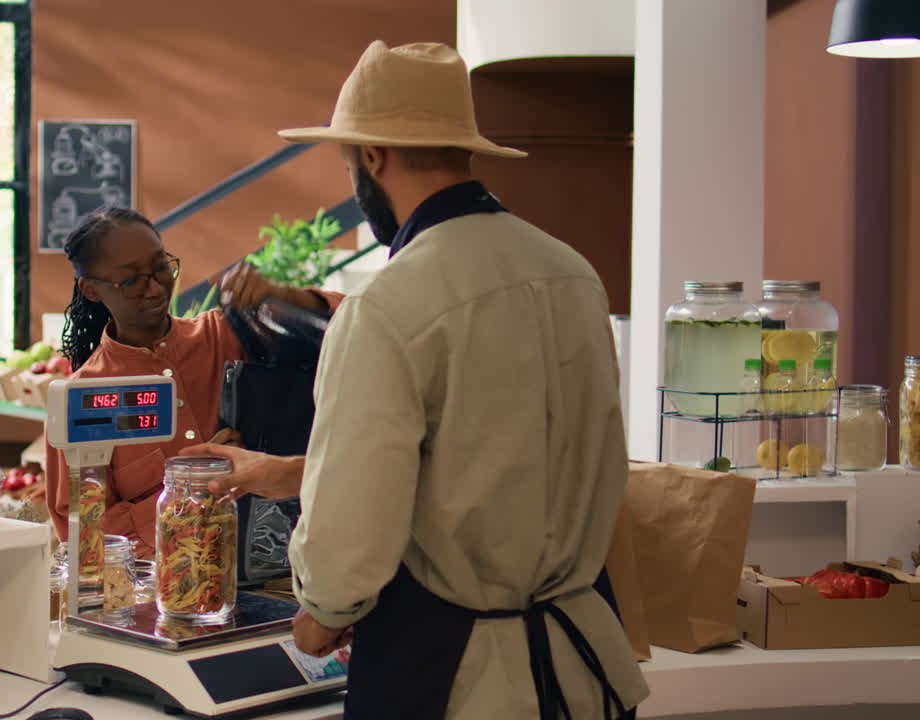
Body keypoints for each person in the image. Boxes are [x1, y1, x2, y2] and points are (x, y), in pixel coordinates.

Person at [182, 41, 648, 719]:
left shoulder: (388, 304)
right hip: (583, 671)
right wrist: (292, 471)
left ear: (372, 157)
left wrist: (322, 609)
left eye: (348, 162)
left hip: (455, 679)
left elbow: (358, 526)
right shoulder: (573, 274)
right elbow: (501, 458)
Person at [42, 206, 341, 557]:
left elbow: (361, 325)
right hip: (167, 592)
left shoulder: (226, 335)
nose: (154, 288)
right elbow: (84, 534)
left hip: (278, 570)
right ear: (91, 290)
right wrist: (191, 487)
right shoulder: (85, 397)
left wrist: (289, 298)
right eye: (132, 280)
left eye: (160, 267)